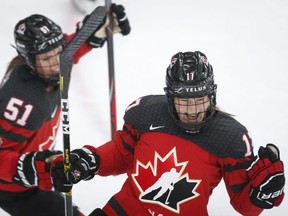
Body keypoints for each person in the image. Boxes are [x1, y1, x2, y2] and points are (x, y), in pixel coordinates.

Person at [51, 51, 285, 216]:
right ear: (170, 97)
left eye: (199, 100)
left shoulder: (230, 138)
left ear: (212, 96)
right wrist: (91, 160)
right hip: (123, 210)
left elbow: (244, 207)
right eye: (184, 101)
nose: (192, 111)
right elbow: (122, 155)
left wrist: (260, 196)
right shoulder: (146, 113)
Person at [0, 4, 130, 216]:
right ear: (29, 60)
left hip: (33, 179)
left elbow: (68, 51)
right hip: (14, 189)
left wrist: (93, 31)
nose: (56, 63)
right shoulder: (23, 102)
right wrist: (42, 167)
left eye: (57, 52)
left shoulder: (51, 64)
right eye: (45, 58)